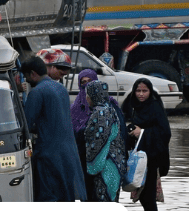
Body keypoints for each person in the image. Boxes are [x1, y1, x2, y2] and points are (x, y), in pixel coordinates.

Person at [21, 56, 86, 201]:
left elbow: (26, 124)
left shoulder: (37, 92)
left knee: (49, 197)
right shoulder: (61, 89)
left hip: (48, 154)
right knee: (65, 196)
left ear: (32, 73)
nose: (26, 80)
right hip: (68, 153)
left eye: (26, 76)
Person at [71, 69, 127, 199]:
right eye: (83, 82)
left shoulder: (100, 113)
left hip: (100, 165)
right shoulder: (106, 109)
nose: (85, 86)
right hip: (100, 163)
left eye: (89, 81)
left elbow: (98, 143)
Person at [122, 78, 171, 211]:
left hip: (152, 157)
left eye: (145, 91)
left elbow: (165, 132)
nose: (141, 94)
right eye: (138, 91)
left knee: (148, 195)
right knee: (142, 195)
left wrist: (142, 132)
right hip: (139, 157)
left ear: (150, 91)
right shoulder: (134, 106)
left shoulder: (155, 107)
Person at [84, 80, 128, 202]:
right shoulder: (111, 109)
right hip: (116, 162)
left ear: (93, 95)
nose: (86, 98)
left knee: (103, 204)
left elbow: (99, 141)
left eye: (88, 94)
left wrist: (90, 163)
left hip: (105, 165)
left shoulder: (100, 113)